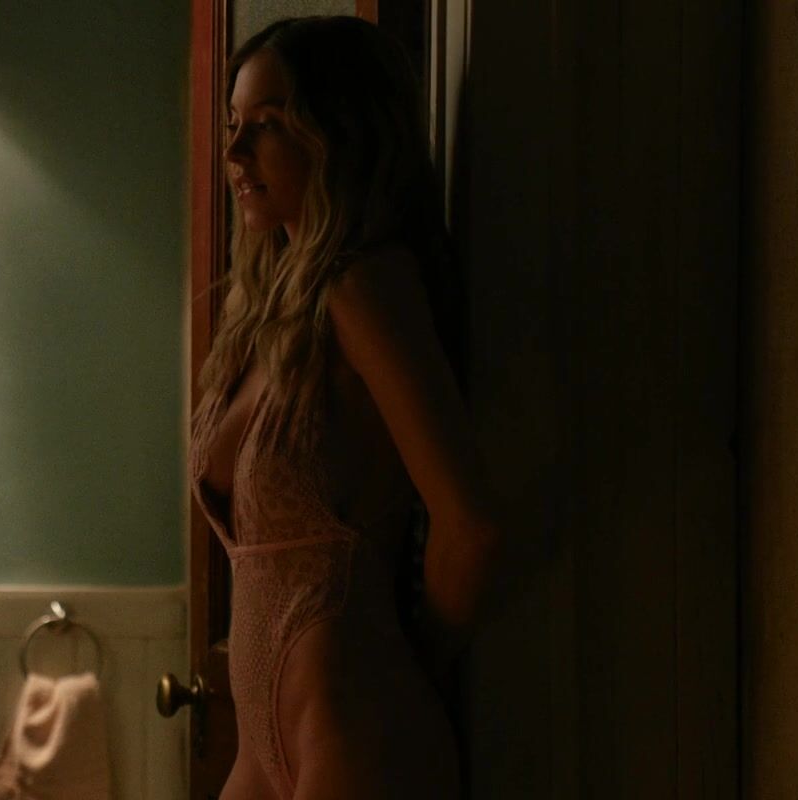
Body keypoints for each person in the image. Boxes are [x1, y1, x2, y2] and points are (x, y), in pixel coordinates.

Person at [190, 16, 514, 798]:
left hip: (355, 727)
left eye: (269, 124)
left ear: (342, 138)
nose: (236, 153)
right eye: (234, 124)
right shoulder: (267, 313)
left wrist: (409, 664)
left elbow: (471, 526)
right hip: (265, 746)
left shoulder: (364, 286)